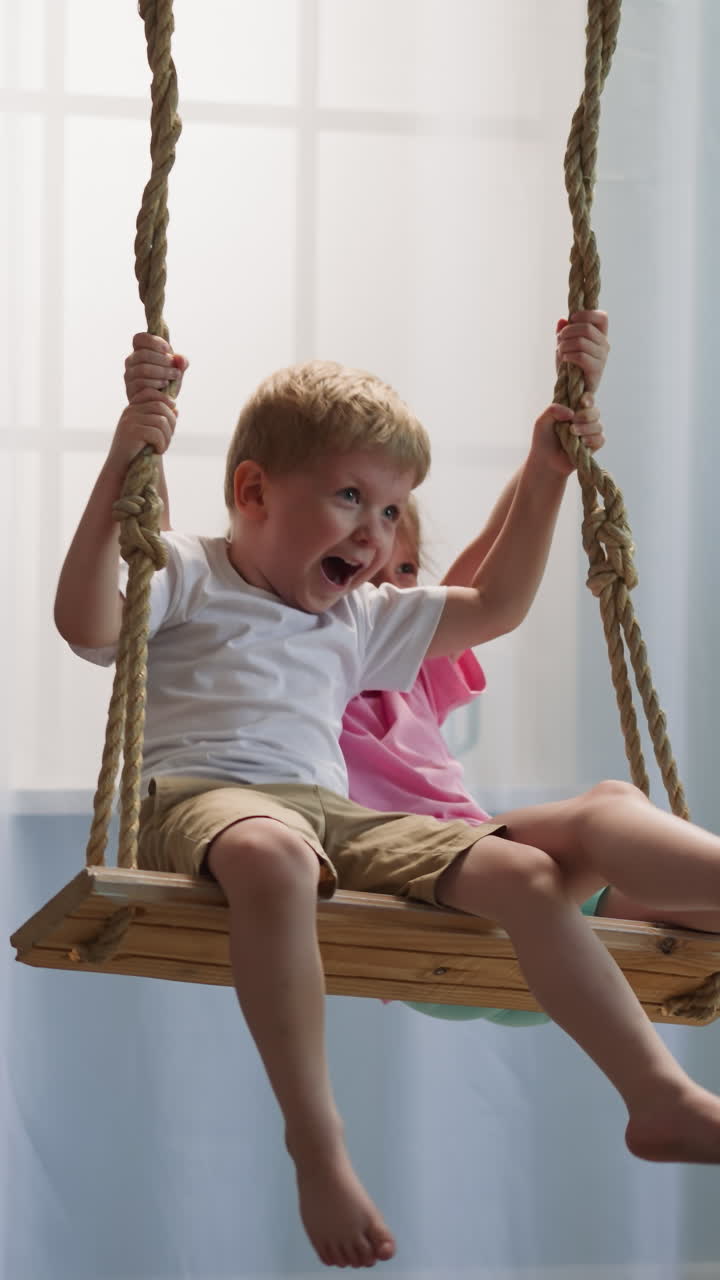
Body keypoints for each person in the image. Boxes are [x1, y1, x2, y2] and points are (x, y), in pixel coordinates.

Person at [55, 331, 720, 1272]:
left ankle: (658, 1097)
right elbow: (86, 623)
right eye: (350, 498)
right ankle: (317, 1147)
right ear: (253, 494)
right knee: (273, 853)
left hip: (332, 815)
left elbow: (490, 603)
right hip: (206, 801)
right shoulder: (189, 572)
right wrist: (132, 446)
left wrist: (545, 467)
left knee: (526, 871)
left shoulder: (358, 618)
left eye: (394, 507)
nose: (377, 533)